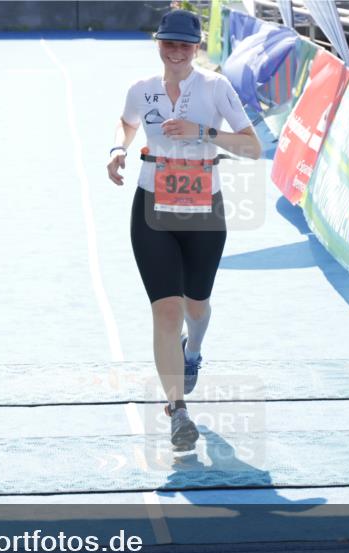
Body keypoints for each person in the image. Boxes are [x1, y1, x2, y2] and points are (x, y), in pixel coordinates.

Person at [107, 9, 260, 449]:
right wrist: (118, 148)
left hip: (202, 211)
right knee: (166, 310)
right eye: (168, 44)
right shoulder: (141, 89)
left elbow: (251, 147)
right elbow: (127, 122)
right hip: (152, 207)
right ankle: (178, 411)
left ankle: (192, 351)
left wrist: (204, 131)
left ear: (196, 48)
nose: (175, 52)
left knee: (195, 307)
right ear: (158, 45)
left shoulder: (216, 88)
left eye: (184, 45)